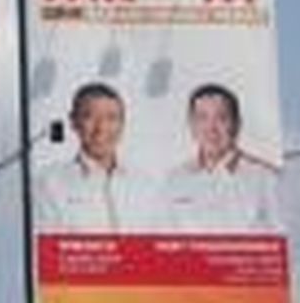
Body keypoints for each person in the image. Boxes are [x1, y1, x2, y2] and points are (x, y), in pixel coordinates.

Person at [163, 83, 282, 233]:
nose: (211, 129)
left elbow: (282, 241)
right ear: (192, 126)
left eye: (221, 118)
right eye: (202, 118)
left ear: (236, 125)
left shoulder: (265, 178)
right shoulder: (175, 179)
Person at [35, 82, 152, 233]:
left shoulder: (144, 184)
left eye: (111, 118)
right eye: (89, 117)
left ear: (122, 124)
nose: (101, 128)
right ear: (73, 122)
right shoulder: (49, 184)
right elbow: (49, 250)